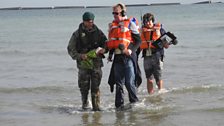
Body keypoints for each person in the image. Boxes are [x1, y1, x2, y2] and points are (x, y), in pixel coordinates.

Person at [67, 12, 107, 111]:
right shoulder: (77, 34)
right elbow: (70, 49)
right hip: (83, 65)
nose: (90, 23)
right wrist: (80, 56)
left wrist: (104, 50)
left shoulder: (99, 32)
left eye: (92, 21)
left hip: (96, 64)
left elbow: (106, 43)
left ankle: (96, 109)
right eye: (88, 22)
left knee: (95, 87)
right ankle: (85, 106)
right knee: (84, 88)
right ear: (83, 21)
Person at [107, 3, 142, 109]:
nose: (114, 15)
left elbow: (138, 41)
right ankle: (119, 106)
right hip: (117, 58)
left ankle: (134, 103)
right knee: (118, 84)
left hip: (128, 58)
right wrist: (110, 54)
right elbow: (113, 43)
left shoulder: (130, 23)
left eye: (116, 13)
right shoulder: (112, 26)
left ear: (123, 12)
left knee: (129, 82)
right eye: (113, 13)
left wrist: (130, 50)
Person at [138, 13, 169, 94]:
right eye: (145, 21)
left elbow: (166, 44)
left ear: (153, 21)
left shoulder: (159, 30)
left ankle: (160, 93)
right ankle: (150, 95)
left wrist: (168, 43)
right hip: (147, 56)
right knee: (149, 78)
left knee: (158, 77)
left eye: (149, 21)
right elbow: (138, 46)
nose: (147, 23)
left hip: (157, 56)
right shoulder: (141, 31)